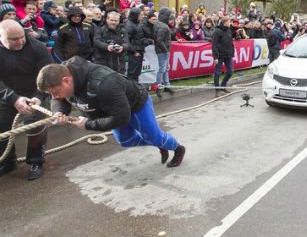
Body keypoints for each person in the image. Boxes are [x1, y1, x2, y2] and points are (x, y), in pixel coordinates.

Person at [36, 56, 186, 168]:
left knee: (152, 136)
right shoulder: (60, 74)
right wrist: (58, 111)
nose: (54, 96)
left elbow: (121, 118)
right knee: (126, 141)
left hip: (135, 104)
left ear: (67, 81)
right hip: (110, 109)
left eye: (55, 92)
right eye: (51, 94)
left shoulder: (104, 83)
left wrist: (88, 124)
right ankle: (159, 142)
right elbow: (59, 100)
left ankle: (177, 148)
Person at [0, 20, 54, 180]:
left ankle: (36, 161)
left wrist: (38, 97)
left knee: (36, 128)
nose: (20, 41)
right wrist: (13, 98)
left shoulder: (37, 48)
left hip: (33, 94)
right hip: (6, 95)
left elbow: (48, 75)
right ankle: (8, 161)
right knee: (2, 129)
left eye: (22, 37)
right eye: (14, 39)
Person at [93, 10, 129, 74]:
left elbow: (127, 43)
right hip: (103, 62)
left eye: (116, 21)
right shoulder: (100, 30)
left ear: (119, 21)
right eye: (111, 20)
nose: (113, 22)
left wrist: (122, 48)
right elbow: (96, 41)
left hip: (118, 63)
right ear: (107, 19)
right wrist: (107, 47)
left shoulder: (123, 31)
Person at [154, 8, 174, 98]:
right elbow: (159, 40)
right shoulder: (163, 26)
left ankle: (167, 85)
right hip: (163, 51)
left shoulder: (159, 24)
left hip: (163, 50)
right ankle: (159, 87)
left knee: (166, 68)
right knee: (162, 69)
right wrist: (165, 50)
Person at [211, 17, 234, 97]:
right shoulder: (217, 31)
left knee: (230, 71)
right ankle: (217, 90)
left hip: (228, 55)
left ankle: (223, 86)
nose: (230, 23)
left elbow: (230, 42)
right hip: (220, 55)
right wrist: (215, 57)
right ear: (224, 22)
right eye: (229, 22)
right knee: (217, 73)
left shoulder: (228, 30)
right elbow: (214, 45)